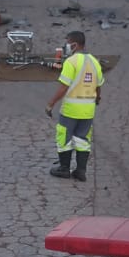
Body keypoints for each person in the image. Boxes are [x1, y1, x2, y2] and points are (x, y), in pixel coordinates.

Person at [44, 29, 103, 182]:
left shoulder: (71, 62)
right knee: (83, 139)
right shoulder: (95, 61)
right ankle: (81, 171)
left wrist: (51, 103)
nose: (66, 46)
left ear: (75, 45)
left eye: (68, 43)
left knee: (64, 136)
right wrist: (97, 99)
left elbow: (64, 87)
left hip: (71, 109)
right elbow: (98, 86)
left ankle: (64, 168)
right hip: (88, 110)